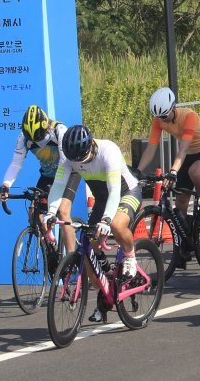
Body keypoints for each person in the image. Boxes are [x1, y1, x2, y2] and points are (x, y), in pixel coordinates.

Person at [43, 125, 142, 324]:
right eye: (75, 161)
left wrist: (106, 219)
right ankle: (104, 294)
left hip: (126, 193)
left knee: (115, 224)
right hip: (103, 199)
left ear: (91, 147)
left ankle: (130, 257)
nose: (79, 163)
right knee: (88, 246)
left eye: (83, 159)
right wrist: (51, 213)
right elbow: (59, 186)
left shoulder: (109, 151)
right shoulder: (69, 158)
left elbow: (114, 190)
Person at [137, 87, 200, 279]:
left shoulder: (188, 116)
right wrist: (138, 171)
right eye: (160, 117)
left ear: (174, 107)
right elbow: (151, 147)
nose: (163, 120)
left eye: (166, 115)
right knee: (181, 202)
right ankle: (185, 242)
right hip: (189, 155)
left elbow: (182, 149)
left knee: (194, 172)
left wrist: (173, 171)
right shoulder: (158, 120)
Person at [0, 105, 77, 254]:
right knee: (34, 213)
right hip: (47, 175)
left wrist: (54, 198)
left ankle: (71, 259)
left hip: (69, 172)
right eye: (32, 139)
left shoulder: (59, 131)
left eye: (40, 137)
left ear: (46, 127)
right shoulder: (23, 138)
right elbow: (16, 163)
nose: (37, 142)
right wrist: (6, 185)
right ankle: (50, 251)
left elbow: (64, 164)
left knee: (62, 211)